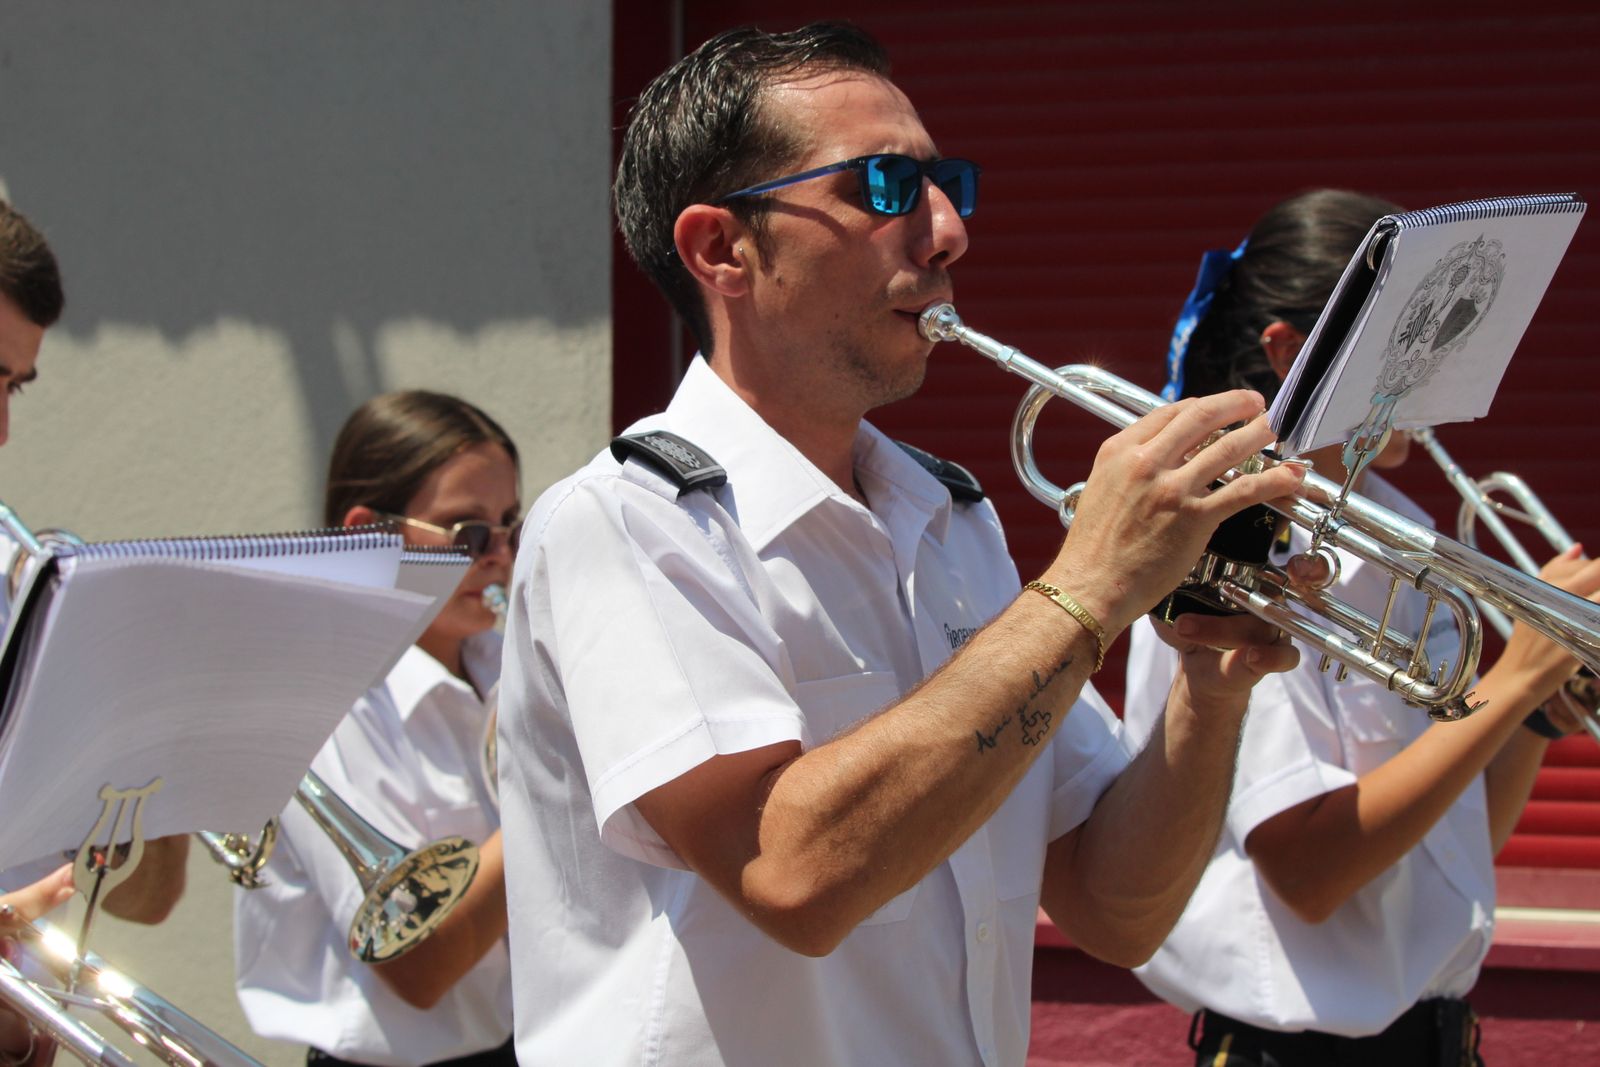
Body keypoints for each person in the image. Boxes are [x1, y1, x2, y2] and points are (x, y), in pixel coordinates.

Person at [495, 21, 1310, 1066]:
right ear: (722, 250)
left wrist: (1210, 683)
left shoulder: (952, 519)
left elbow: (1117, 910)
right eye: (883, 187)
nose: (947, 233)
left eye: (945, 184)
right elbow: (789, 874)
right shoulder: (624, 521)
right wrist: (1089, 584)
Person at [1122, 187, 1600, 1066]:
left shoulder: (1404, 532)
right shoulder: (1235, 548)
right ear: (1290, 351)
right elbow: (1308, 873)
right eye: (1414, 336)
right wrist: (1514, 678)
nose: (1440, 371)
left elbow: (1446, 846)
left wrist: (1533, 717)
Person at [233, 391, 519, 1067]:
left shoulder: (508, 664)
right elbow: (417, 967)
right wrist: (559, 783)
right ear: (370, 532)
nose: (500, 555)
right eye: (468, 533)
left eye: (511, 526)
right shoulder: (323, 701)